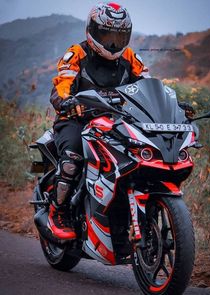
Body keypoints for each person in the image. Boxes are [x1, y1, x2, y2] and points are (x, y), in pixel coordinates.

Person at [48, 2, 150, 240]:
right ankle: (58, 211)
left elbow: (148, 83)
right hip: (77, 119)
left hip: (116, 122)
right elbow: (62, 83)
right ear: (92, 30)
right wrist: (66, 101)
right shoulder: (77, 53)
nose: (113, 42)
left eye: (119, 35)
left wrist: (170, 104)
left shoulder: (129, 56)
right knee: (73, 156)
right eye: (106, 34)